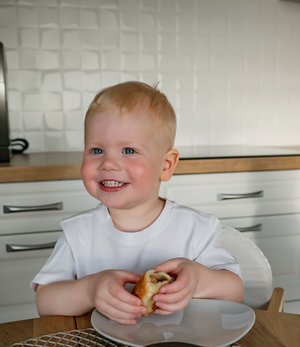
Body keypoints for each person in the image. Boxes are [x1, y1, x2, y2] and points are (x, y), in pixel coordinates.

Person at [31, 81, 244, 325]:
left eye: (129, 151)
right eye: (96, 151)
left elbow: (235, 291)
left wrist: (197, 280)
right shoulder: (78, 232)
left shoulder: (195, 228)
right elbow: (44, 302)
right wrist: (90, 291)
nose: (108, 164)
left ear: (166, 165)